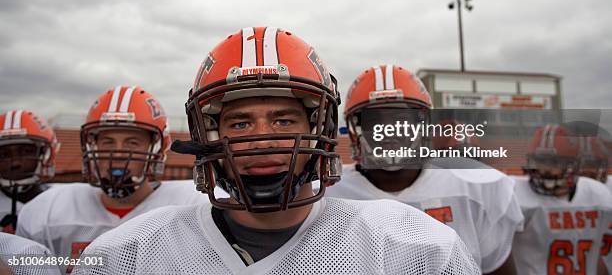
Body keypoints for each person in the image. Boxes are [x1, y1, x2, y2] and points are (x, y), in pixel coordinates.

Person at [74, 27, 479, 274]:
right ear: (208, 134)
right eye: (240, 122)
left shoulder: (415, 247)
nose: (263, 138)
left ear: (318, 127)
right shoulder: (127, 254)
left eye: (284, 121)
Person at [325, 65, 523, 274]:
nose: (389, 131)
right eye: (374, 121)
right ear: (356, 129)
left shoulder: (479, 186)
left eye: (402, 119)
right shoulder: (329, 192)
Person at [17, 86, 204, 273]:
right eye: (107, 142)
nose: (118, 153)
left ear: (156, 149)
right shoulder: (46, 211)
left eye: (132, 142)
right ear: (91, 147)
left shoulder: (193, 205)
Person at [512, 123, 612, 274]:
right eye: (540, 160)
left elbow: (594, 255)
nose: (546, 169)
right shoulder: (513, 194)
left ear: (574, 165)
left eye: (555, 162)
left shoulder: (597, 194)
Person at [0, 111, 59, 234]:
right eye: (4, 154)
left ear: (44, 154)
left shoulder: (61, 202)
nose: (15, 163)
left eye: (26, 151)